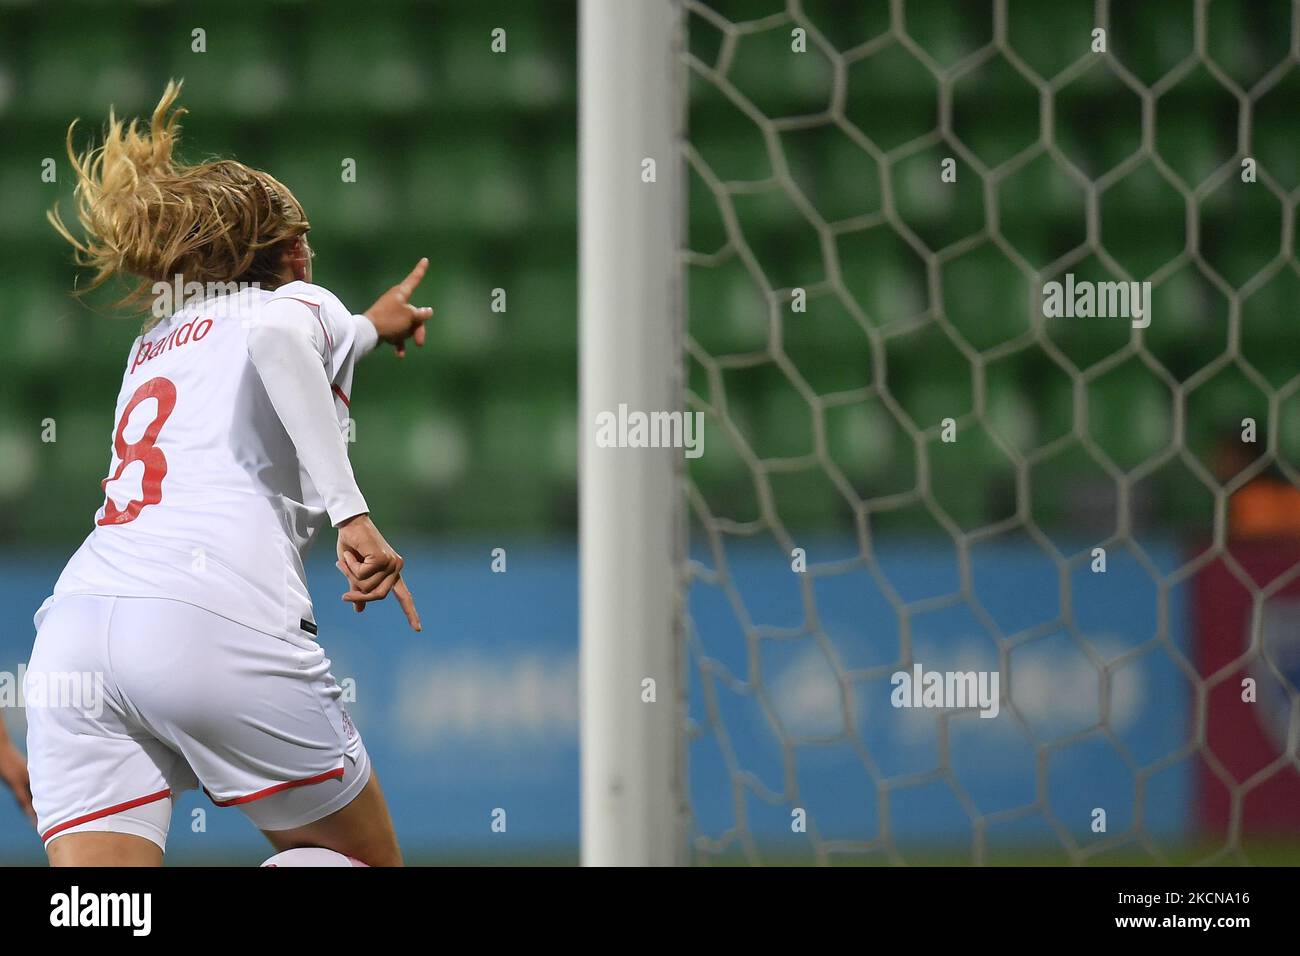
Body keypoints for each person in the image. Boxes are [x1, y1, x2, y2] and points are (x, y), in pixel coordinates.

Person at [27, 80, 430, 866]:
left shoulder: (156, 342)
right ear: (288, 254)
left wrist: (377, 325)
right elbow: (283, 342)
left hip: (74, 635)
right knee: (361, 861)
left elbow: (315, 336)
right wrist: (352, 515)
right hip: (209, 621)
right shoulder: (291, 306)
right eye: (303, 241)